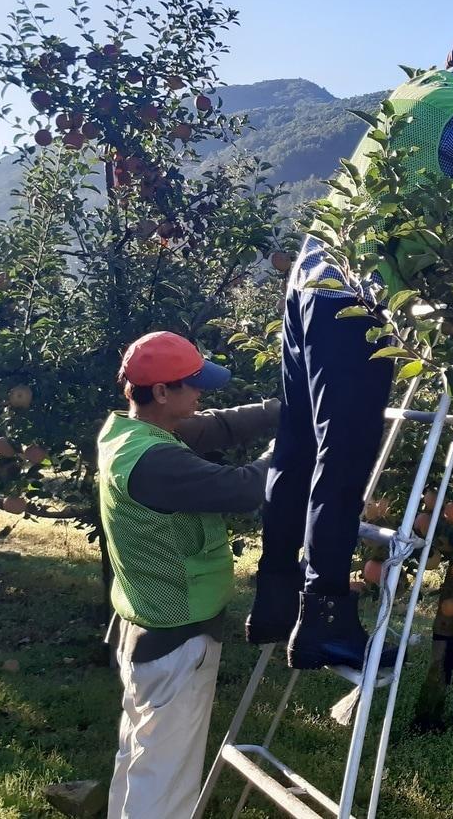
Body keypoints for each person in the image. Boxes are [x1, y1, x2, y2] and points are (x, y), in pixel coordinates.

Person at [246, 25, 453, 671]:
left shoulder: (417, 95)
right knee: (345, 456)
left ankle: (273, 596)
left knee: (299, 447)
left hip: (311, 284)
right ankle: (324, 618)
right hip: (357, 295)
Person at [98, 330, 279, 818]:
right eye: (192, 385)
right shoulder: (155, 462)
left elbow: (215, 427)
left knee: (143, 755)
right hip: (176, 639)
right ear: (161, 392)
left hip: (150, 626)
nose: (202, 394)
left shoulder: (130, 433)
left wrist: (283, 410)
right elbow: (244, 490)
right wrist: (291, 445)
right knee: (166, 775)